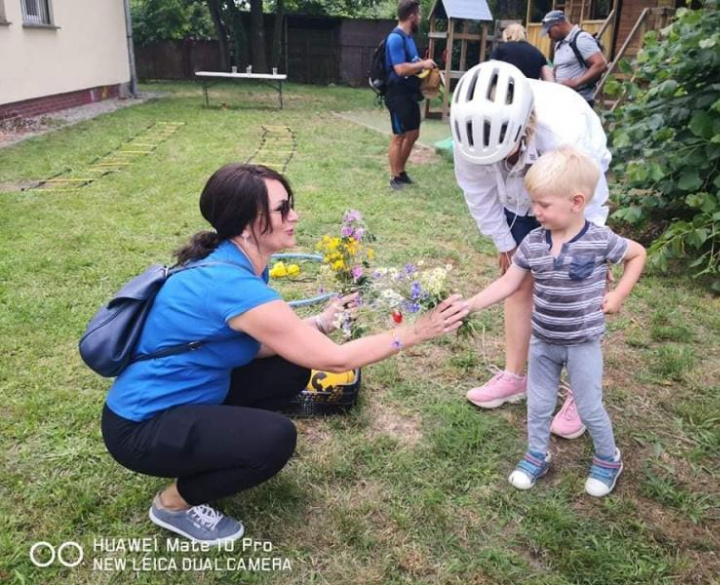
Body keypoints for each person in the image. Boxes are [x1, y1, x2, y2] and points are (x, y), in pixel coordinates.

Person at [101, 164, 468, 545]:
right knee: (275, 439)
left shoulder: (234, 261)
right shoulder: (233, 285)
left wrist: (320, 324)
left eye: (290, 205)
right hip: (139, 426)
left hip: (189, 392)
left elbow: (257, 340)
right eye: (282, 209)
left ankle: (220, 441)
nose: (294, 216)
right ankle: (173, 504)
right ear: (247, 223)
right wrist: (416, 331)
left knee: (292, 366)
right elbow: (337, 360)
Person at [464, 147, 646, 496]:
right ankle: (536, 454)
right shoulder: (533, 242)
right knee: (539, 404)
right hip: (543, 342)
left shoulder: (598, 240)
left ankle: (609, 459)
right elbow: (508, 283)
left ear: (576, 202)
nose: (535, 212)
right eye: (533, 203)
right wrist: (469, 305)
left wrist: (619, 294)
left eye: (543, 205)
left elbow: (637, 254)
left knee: (590, 408)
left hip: (581, 343)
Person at [450, 60, 612, 440]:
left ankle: (582, 395)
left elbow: (590, 197)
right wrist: (505, 243)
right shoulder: (469, 134)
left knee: (573, 295)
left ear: (525, 127)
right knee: (517, 283)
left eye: (505, 153)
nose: (500, 164)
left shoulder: (565, 135)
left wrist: (593, 249)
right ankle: (514, 377)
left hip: (570, 193)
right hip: (517, 204)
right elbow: (478, 192)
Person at [384, 0, 436, 191]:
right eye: (419, 15)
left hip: (410, 93)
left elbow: (412, 62)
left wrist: (425, 65)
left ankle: (401, 172)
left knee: (413, 133)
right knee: (399, 135)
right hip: (397, 93)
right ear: (412, 16)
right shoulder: (395, 38)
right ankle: (394, 177)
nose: (420, 18)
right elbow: (399, 69)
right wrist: (422, 65)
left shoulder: (409, 38)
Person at [541, 10, 608, 106]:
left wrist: (577, 82)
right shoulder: (559, 43)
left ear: (558, 24)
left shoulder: (581, 39)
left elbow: (601, 64)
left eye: (549, 31)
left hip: (579, 101)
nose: (549, 36)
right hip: (563, 99)